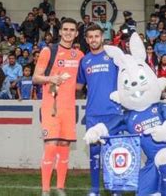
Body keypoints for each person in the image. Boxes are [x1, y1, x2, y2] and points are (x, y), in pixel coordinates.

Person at [33, 18, 84, 196]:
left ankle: (60, 188)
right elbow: (35, 78)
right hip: (51, 107)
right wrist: (51, 79)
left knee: (64, 146)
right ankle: (45, 190)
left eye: (72, 30)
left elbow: (79, 84)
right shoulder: (49, 51)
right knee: (51, 145)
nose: (69, 32)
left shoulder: (79, 55)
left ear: (76, 33)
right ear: (60, 32)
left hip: (69, 109)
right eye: (65, 29)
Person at [76, 25, 121, 196]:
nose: (94, 39)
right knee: (94, 153)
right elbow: (78, 86)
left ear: (102, 37)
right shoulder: (85, 61)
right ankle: (95, 190)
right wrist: (56, 79)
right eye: (90, 37)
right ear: (86, 40)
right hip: (93, 113)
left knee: (114, 153)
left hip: (114, 113)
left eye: (97, 36)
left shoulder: (113, 56)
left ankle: (115, 190)